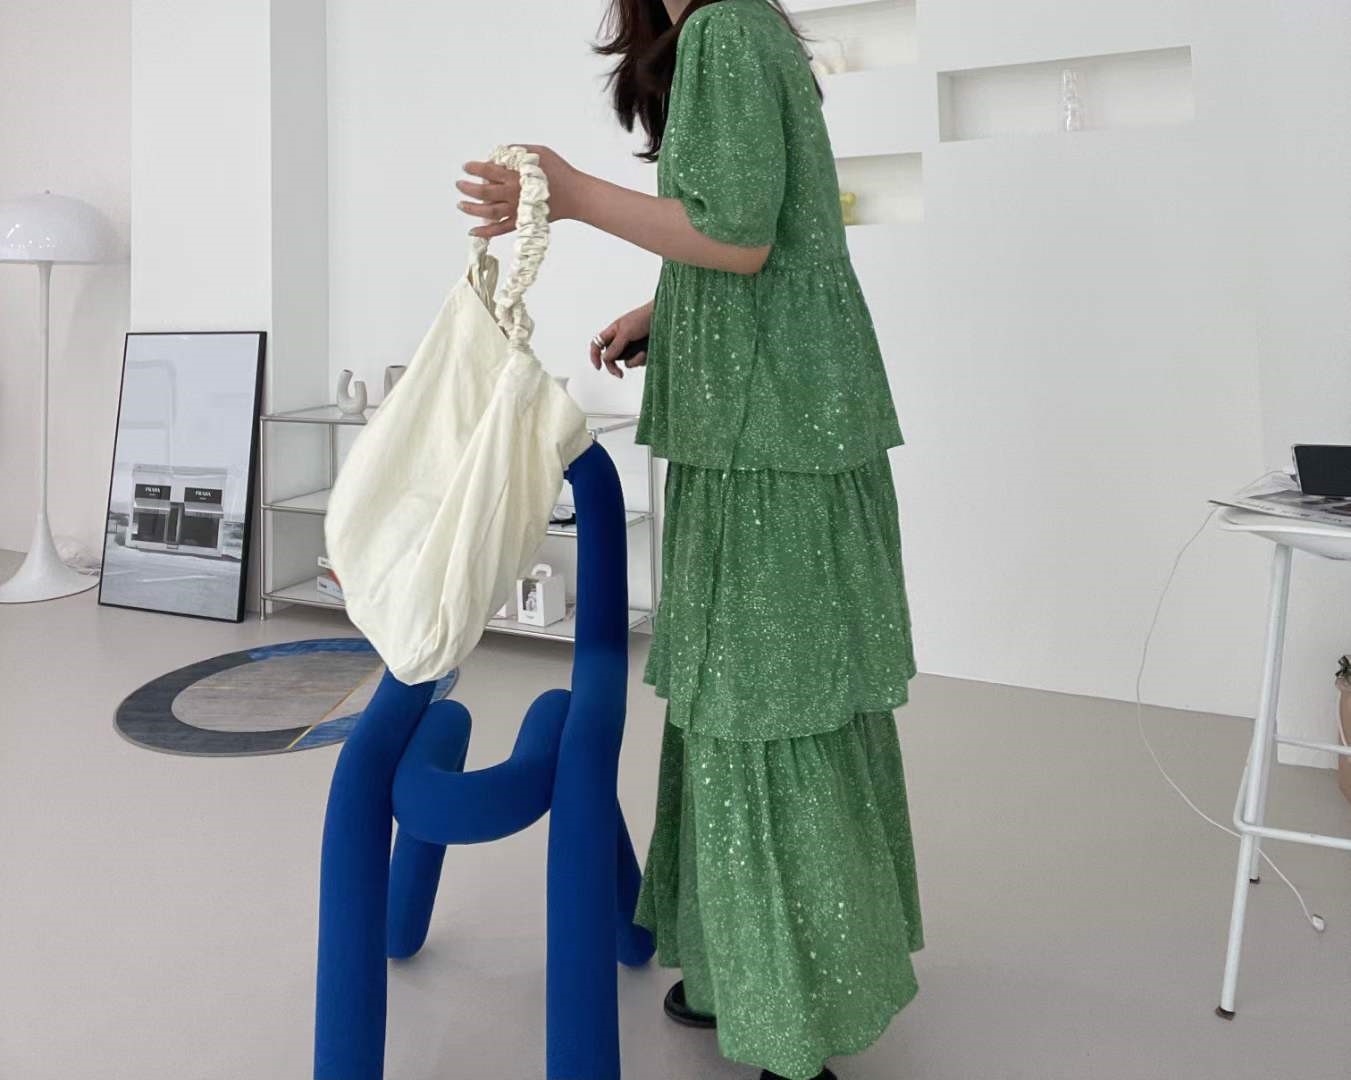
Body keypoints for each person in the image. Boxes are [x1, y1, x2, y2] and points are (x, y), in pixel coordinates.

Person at [456, 1, 922, 1077]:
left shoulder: (724, 29)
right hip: (771, 423)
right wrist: (666, 311)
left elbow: (742, 239)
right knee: (755, 703)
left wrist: (571, 193)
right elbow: (764, 227)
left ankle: (792, 1019)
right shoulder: (733, 33)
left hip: (773, 439)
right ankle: (743, 973)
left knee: (764, 706)